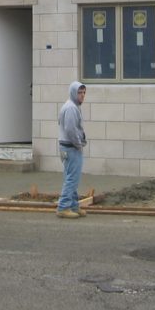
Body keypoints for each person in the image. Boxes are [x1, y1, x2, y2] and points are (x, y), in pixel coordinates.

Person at [57, 81, 87, 219]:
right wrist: (78, 144)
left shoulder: (72, 106)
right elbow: (70, 129)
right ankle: (63, 207)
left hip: (67, 147)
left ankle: (74, 205)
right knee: (72, 179)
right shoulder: (71, 108)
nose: (82, 96)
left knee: (72, 178)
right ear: (73, 93)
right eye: (79, 93)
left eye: (83, 93)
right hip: (71, 147)